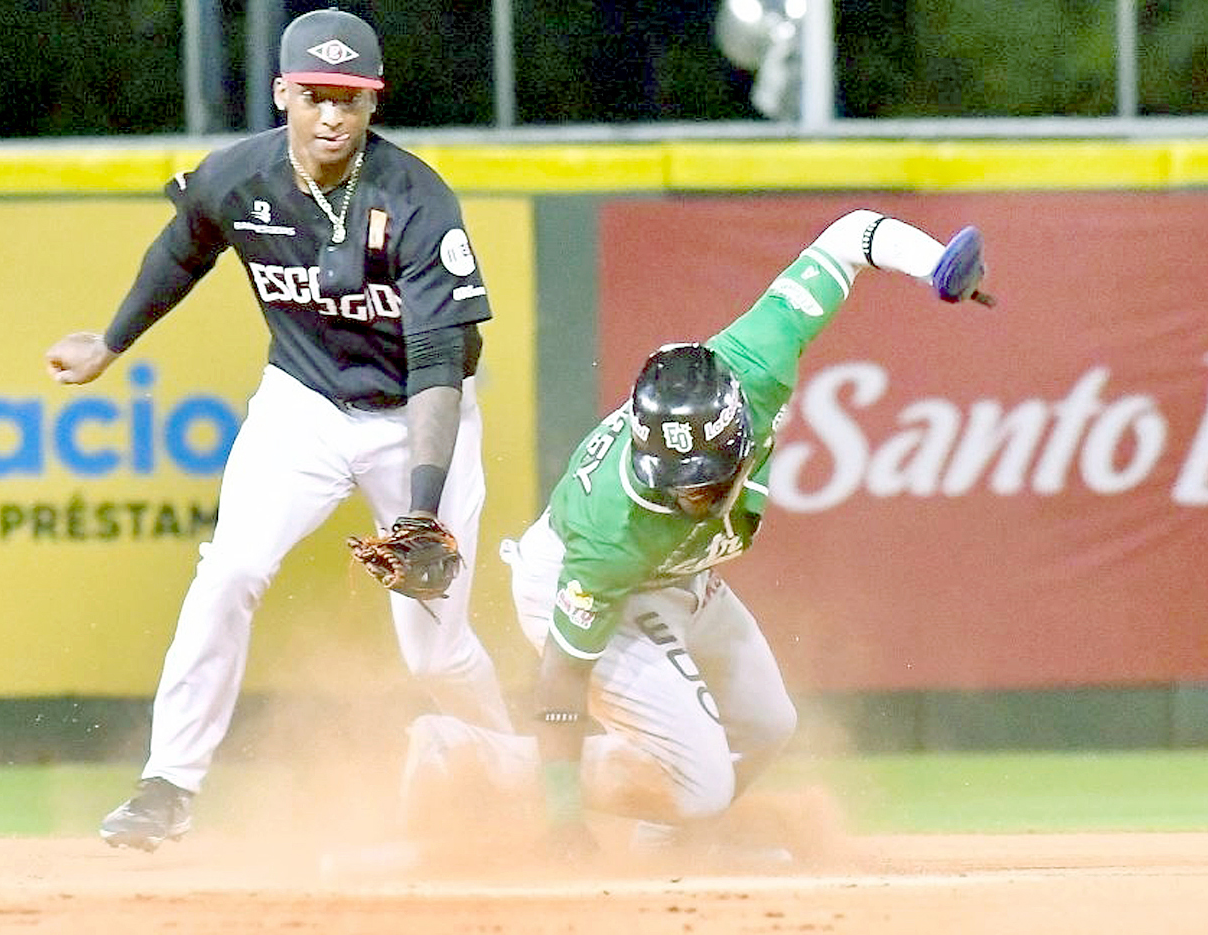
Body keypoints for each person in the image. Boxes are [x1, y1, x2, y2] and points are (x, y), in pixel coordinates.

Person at [46, 7, 513, 851]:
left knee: (434, 654)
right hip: (303, 405)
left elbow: (439, 363)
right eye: (314, 95)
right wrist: (111, 342)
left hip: (413, 416)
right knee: (228, 570)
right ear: (281, 94)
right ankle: (167, 785)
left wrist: (421, 508)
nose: (331, 115)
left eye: (349, 98)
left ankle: (516, 774)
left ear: (373, 103)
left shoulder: (417, 200)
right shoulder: (241, 176)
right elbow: (183, 247)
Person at [397, 209, 991, 861]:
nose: (691, 497)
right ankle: (469, 753)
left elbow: (854, 235)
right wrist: (564, 818)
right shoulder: (613, 526)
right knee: (702, 784)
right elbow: (562, 679)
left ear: (736, 434)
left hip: (675, 574)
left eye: (705, 481)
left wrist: (934, 263)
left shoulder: (757, 358)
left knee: (766, 726)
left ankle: (666, 846)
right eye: (677, 481)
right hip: (585, 581)